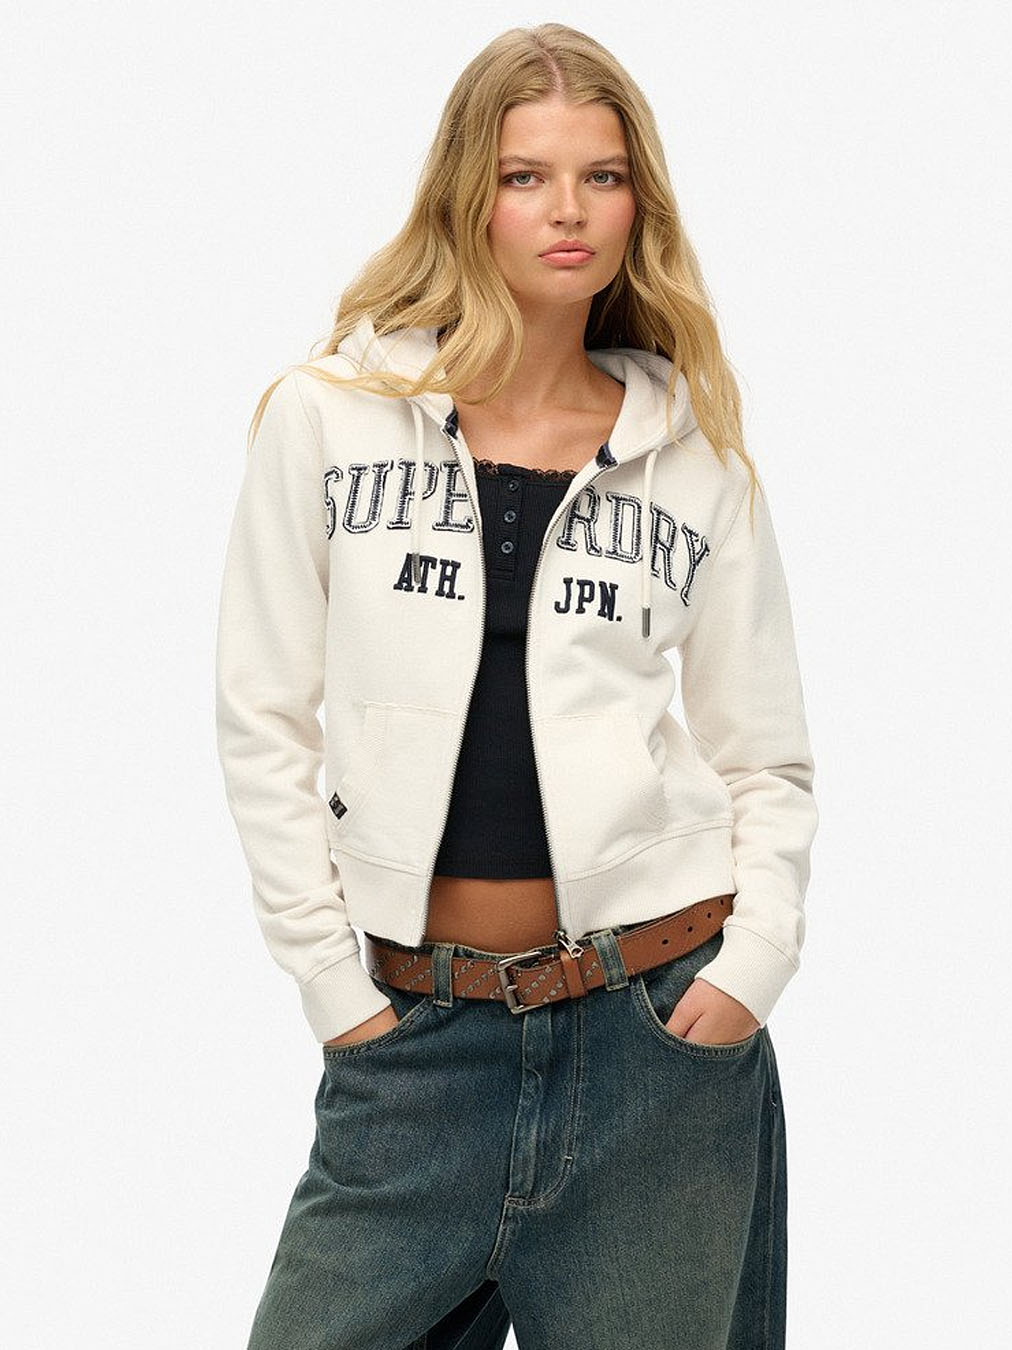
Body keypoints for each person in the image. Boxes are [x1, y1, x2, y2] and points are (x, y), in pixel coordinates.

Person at [215, 22, 818, 1350]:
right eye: (526, 175)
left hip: (656, 1041)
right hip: (411, 1043)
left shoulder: (698, 456)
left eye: (603, 177)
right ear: (466, 195)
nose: (569, 210)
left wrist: (755, 965)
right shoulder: (328, 417)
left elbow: (764, 754)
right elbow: (261, 719)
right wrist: (336, 993)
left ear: (639, 204)